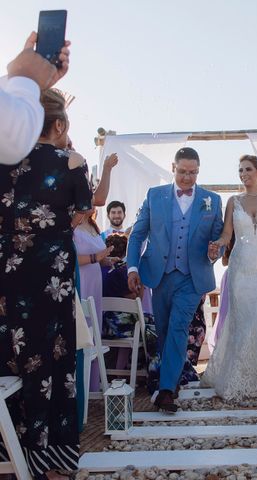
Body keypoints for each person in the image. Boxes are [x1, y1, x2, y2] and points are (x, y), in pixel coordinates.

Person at [0, 88, 93, 478]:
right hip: (50, 273)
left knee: (8, 352)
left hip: (6, 269)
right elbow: (84, 211)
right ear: (58, 125)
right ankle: (49, 458)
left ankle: (9, 448)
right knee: (52, 358)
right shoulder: (71, 162)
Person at [127, 147, 223, 412]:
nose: (187, 178)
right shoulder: (154, 196)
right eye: (182, 172)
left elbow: (218, 241)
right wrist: (132, 268)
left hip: (192, 278)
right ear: (173, 167)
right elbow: (137, 236)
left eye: (192, 173)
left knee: (179, 327)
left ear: (198, 171)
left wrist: (216, 251)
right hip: (159, 276)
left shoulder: (212, 201)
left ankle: (167, 389)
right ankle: (168, 379)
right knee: (165, 331)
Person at [200, 155, 257, 401]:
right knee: (242, 318)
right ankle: (237, 374)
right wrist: (217, 244)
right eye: (240, 170)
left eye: (248, 169)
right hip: (240, 266)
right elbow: (227, 233)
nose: (243, 174)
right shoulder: (233, 201)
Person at [1, 32, 70, 165]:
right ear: (59, 125)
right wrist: (25, 79)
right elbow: (13, 138)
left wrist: (22, 78)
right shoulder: (71, 164)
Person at [74, 211, 116, 391]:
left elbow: (96, 257)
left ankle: (91, 387)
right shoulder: (72, 225)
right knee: (83, 331)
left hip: (95, 287)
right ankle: (79, 387)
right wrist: (95, 257)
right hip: (81, 284)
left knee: (94, 329)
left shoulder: (93, 225)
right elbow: (69, 258)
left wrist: (104, 261)